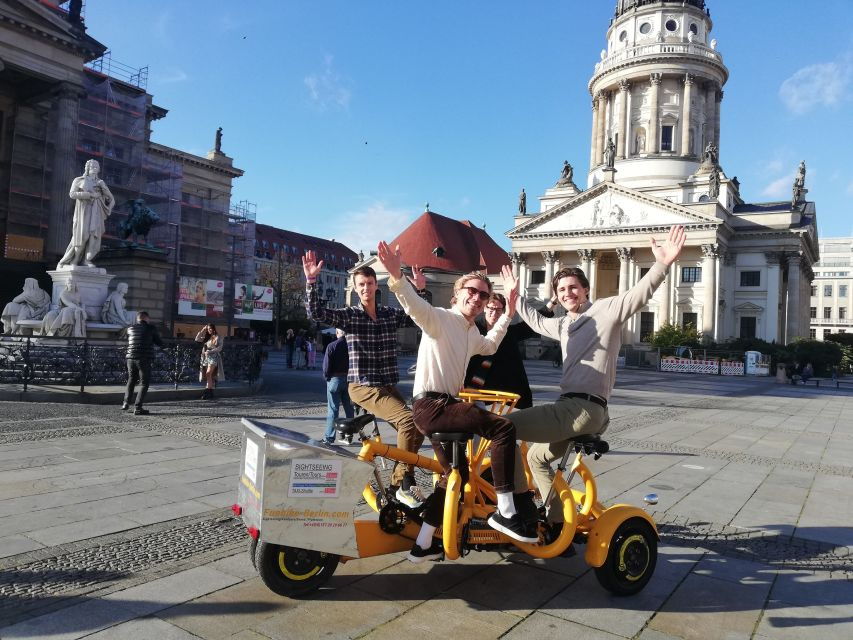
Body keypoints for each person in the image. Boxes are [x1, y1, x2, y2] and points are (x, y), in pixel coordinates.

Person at [505, 225, 686, 529]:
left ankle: (519, 505)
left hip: (581, 409)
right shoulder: (563, 325)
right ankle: (558, 522)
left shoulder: (606, 310)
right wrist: (514, 295)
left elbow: (638, 295)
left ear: (586, 289)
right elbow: (536, 322)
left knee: (502, 428)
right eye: (562, 290)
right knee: (536, 458)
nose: (567, 293)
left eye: (573, 287)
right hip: (580, 409)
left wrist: (663, 263)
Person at [377, 240, 537, 562]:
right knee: (503, 429)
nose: (477, 299)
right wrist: (397, 276)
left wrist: (507, 312)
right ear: (458, 293)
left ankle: (423, 544)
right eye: (472, 292)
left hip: (441, 409)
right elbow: (413, 306)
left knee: (455, 477)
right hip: (433, 406)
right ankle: (506, 511)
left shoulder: (470, 332)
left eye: (483, 295)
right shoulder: (440, 318)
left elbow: (490, 346)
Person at [303, 250, 429, 510]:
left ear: (376, 286)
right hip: (363, 386)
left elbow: (416, 316)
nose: (365, 288)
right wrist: (311, 283)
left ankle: (397, 483)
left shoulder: (388, 314)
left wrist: (420, 291)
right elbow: (317, 313)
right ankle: (404, 484)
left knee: (418, 425)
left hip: (387, 385)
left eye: (369, 283)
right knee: (406, 421)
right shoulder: (350, 316)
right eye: (361, 284)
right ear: (356, 288)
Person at [464, 292, 535, 410]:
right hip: (477, 390)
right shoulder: (472, 328)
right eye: (491, 308)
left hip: (506, 390)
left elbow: (531, 325)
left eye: (498, 310)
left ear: (503, 312)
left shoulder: (508, 332)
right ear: (485, 308)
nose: (494, 312)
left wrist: (551, 304)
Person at [57, 159, 115, 268]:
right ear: (87, 168)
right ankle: (73, 259)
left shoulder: (100, 183)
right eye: (92, 165)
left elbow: (111, 199)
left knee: (94, 237)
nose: (94, 167)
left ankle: (86, 260)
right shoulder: (79, 180)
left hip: (96, 213)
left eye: (96, 166)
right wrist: (90, 195)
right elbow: (72, 194)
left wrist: (109, 209)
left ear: (99, 169)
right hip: (83, 212)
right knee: (82, 236)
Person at [123, 311, 163, 415]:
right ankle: (138, 407)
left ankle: (125, 403)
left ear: (138, 319)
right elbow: (159, 342)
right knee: (144, 383)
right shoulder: (151, 328)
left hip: (130, 357)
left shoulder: (130, 328)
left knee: (131, 380)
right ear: (147, 318)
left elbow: (127, 340)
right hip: (144, 358)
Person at [323, 329, 354, 444]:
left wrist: (327, 377)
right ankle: (349, 435)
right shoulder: (352, 346)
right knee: (349, 409)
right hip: (349, 380)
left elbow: (326, 366)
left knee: (333, 410)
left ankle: (329, 437)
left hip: (335, 380)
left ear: (337, 333)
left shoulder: (331, 346)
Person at [195, 323, 224, 399]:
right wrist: (203, 329)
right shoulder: (206, 337)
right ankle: (209, 392)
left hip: (214, 357)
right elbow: (197, 339)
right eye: (208, 329)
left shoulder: (218, 337)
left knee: (208, 373)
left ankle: (208, 391)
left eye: (210, 328)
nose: (209, 330)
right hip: (206, 358)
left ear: (214, 328)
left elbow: (219, 348)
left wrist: (210, 352)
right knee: (209, 375)